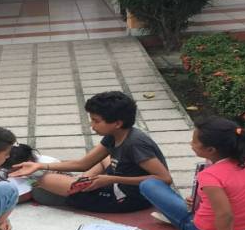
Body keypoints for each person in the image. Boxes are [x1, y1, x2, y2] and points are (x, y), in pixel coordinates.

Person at [10, 91, 172, 213]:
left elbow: (164, 179)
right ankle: (79, 183)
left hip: (129, 198)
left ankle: (77, 188)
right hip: (116, 181)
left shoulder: (135, 143)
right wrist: (39, 166)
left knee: (45, 180)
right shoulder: (115, 135)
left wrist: (110, 179)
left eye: (96, 121)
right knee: (103, 160)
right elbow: (83, 164)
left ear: (117, 123)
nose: (91, 125)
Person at [139, 116, 245, 230]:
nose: (191, 144)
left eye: (194, 142)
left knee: (149, 185)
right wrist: (198, 201)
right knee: (192, 202)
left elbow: (225, 215)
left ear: (211, 149)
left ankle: (176, 220)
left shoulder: (210, 176)